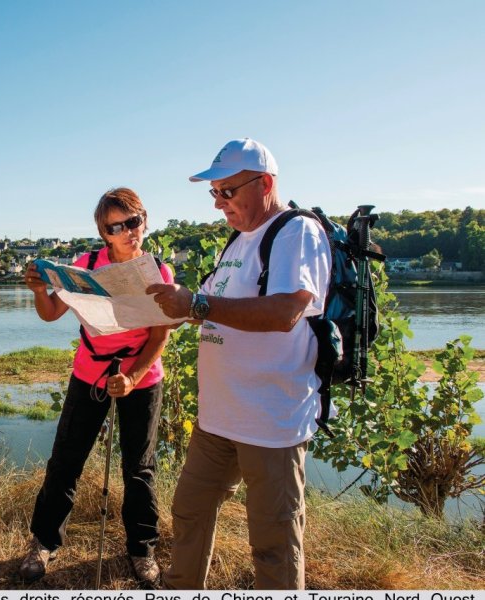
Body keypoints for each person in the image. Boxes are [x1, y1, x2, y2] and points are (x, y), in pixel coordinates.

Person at [146, 138, 331, 590]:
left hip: (270, 421)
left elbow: (285, 311)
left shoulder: (296, 232)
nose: (218, 204)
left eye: (227, 192)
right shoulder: (237, 241)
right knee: (189, 510)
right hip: (218, 419)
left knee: (273, 540)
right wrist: (158, 309)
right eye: (214, 194)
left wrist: (200, 304)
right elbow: (203, 307)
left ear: (265, 183)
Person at [18, 188, 173, 584]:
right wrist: (39, 291)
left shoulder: (159, 273)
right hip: (91, 372)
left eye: (132, 221)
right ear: (104, 233)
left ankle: (142, 551)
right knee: (66, 461)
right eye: (115, 226)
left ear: (145, 220)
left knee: (139, 469)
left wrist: (133, 377)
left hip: (140, 375)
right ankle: (44, 543)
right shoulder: (85, 266)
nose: (126, 232)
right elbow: (52, 313)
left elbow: (159, 337)